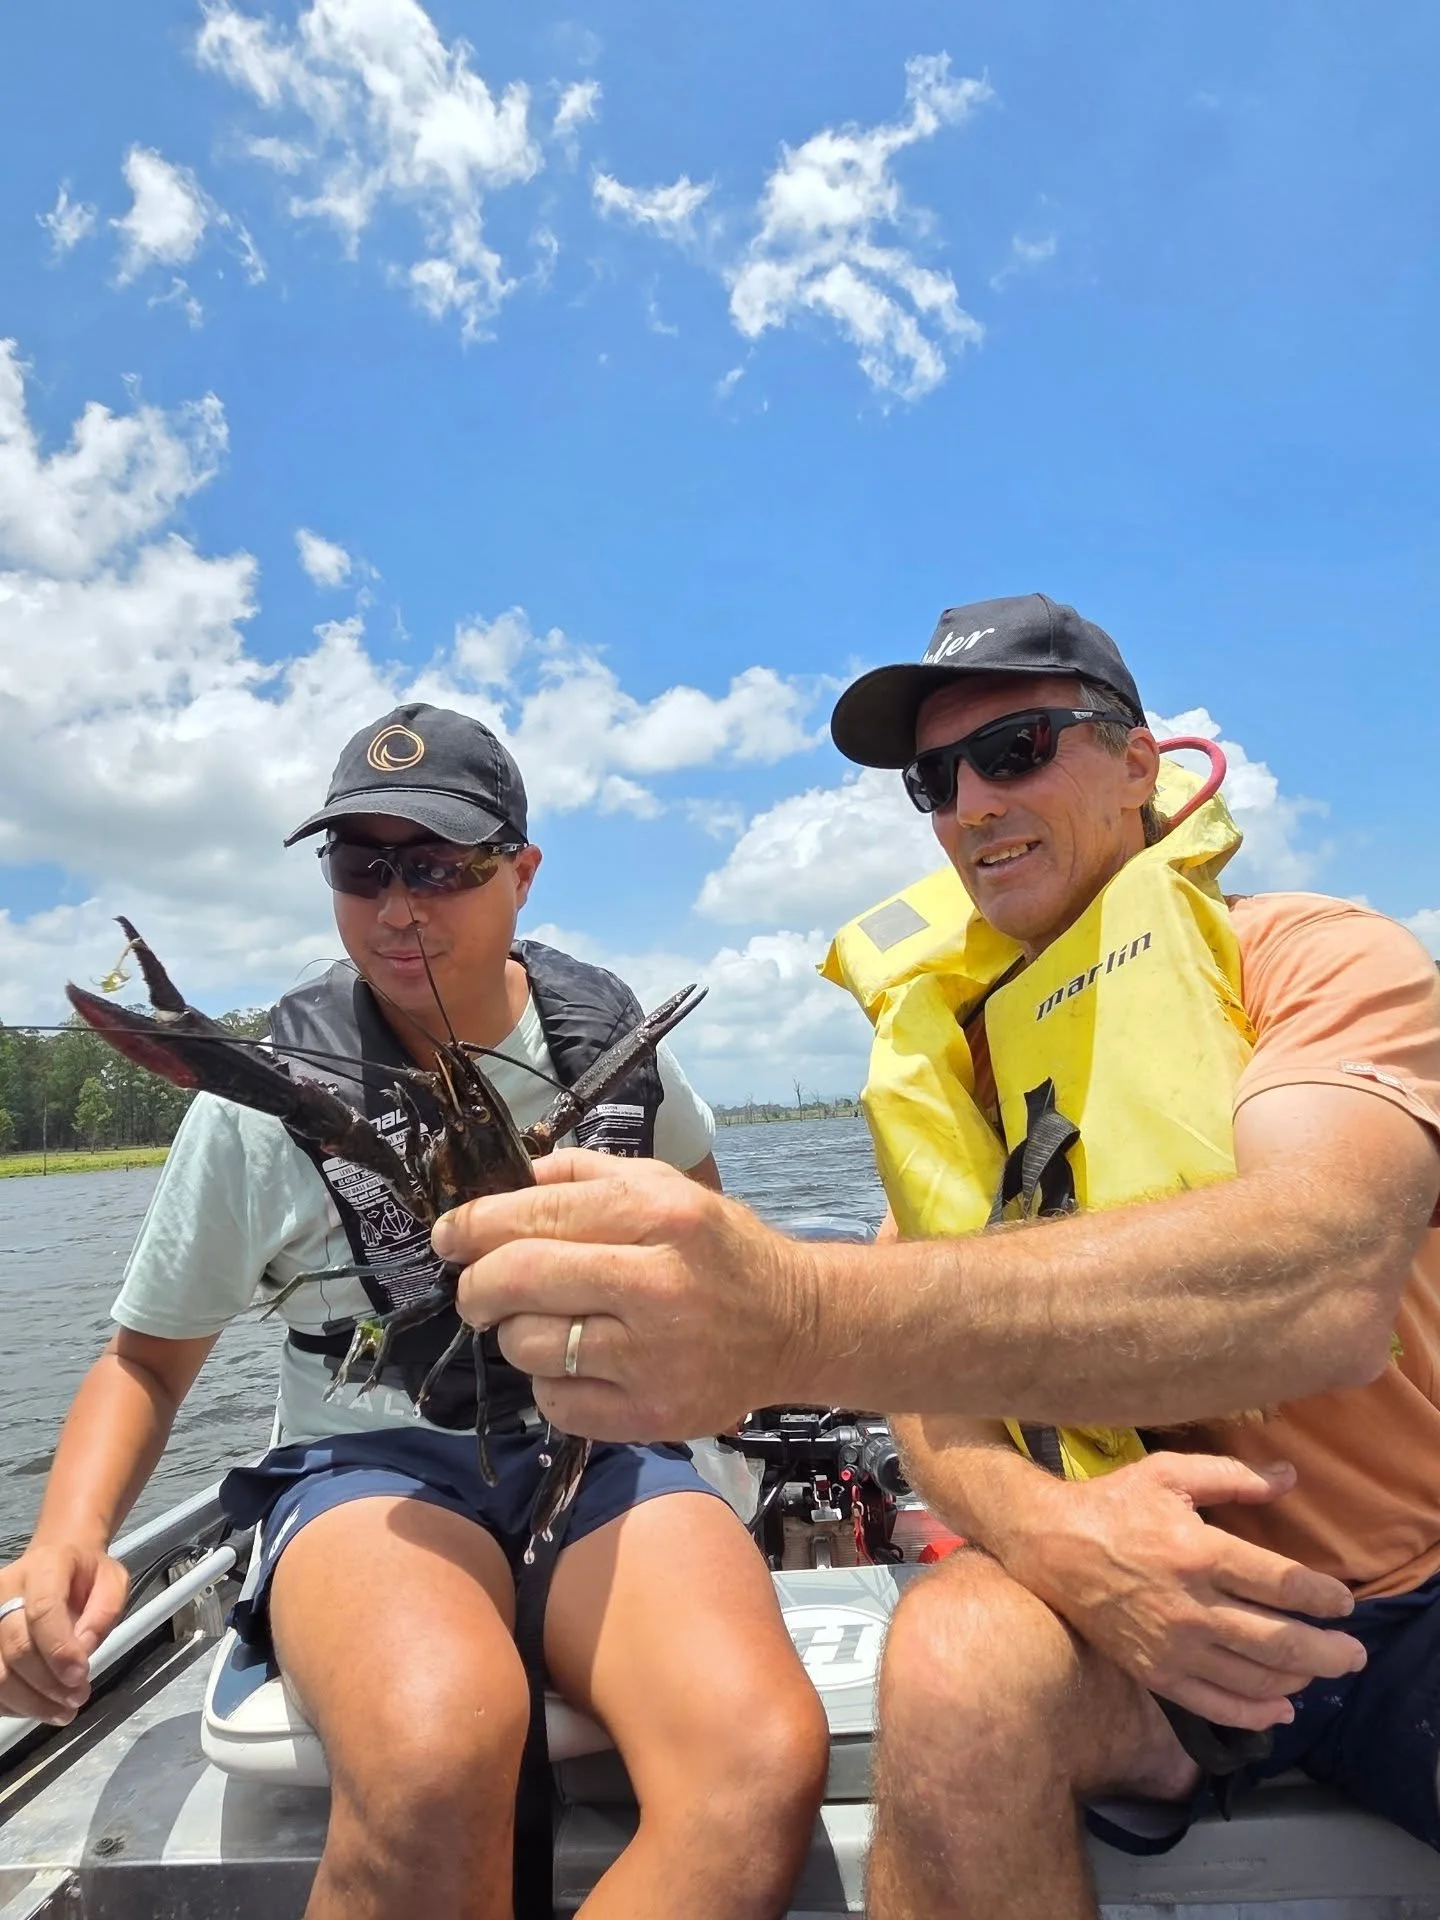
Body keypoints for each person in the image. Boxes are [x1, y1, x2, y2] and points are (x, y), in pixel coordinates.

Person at [435, 599, 1440, 1917]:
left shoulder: (1315, 957)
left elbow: (1325, 1276)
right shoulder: (950, 1070)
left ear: (1141, 764)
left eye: (1018, 748)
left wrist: (791, 1312)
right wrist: (1060, 1537)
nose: (971, 802)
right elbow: (931, 1394)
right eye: (934, 779)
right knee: (954, 1658)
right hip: (1132, 1631)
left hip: (1409, 1595)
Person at [0, 703, 828, 1920]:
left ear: (521, 873)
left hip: (598, 1450)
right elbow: (148, 1360)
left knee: (759, 1760)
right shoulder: (264, 1100)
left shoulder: (615, 1053)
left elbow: (725, 1256)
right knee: (434, 1753)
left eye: (439, 865)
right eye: (361, 866)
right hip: (370, 1464)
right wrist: (62, 1542)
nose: (398, 905)